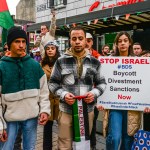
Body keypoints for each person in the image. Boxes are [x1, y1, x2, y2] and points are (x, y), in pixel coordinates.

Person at [49, 26, 106, 150]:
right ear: (70, 40)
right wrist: (63, 94)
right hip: (66, 110)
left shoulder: (95, 62)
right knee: (64, 145)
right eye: (74, 38)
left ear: (86, 40)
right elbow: (52, 83)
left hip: (87, 111)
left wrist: (94, 93)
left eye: (80, 38)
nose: (77, 41)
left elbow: (102, 83)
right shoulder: (61, 61)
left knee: (83, 145)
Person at [0, 27, 50, 150]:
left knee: (30, 148)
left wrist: (44, 110)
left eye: (23, 41)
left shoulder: (34, 66)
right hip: (9, 120)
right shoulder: (1, 67)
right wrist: (0, 125)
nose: (21, 45)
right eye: (17, 41)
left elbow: (44, 91)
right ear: (9, 44)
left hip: (31, 117)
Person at [98, 31, 142, 150]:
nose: (122, 43)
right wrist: (101, 101)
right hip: (115, 106)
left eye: (125, 41)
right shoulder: (108, 61)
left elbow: (142, 84)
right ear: (116, 44)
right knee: (115, 137)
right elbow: (102, 81)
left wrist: (146, 103)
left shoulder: (138, 62)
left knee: (128, 139)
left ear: (130, 43)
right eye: (120, 41)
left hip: (132, 107)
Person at [41, 40, 60, 150]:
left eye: (52, 48)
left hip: (59, 99)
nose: (50, 50)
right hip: (47, 100)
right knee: (47, 128)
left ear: (56, 50)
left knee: (62, 127)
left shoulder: (61, 62)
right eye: (48, 49)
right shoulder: (42, 64)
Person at [86, 32, 101, 150]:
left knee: (93, 121)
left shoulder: (99, 57)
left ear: (92, 42)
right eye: (84, 39)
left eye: (89, 40)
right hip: (79, 95)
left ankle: (93, 145)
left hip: (94, 95)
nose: (86, 42)